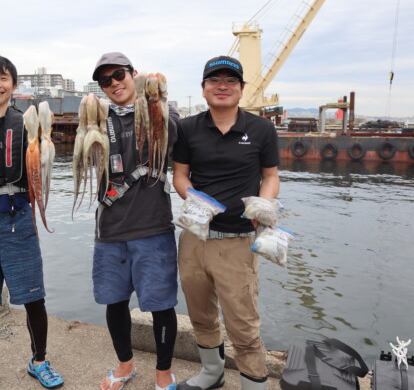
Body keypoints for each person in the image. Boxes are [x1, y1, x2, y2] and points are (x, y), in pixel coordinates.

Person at [172, 56, 280, 390]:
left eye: (230, 81)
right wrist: (197, 202)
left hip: (238, 240)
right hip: (195, 237)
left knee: (243, 323)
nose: (222, 86)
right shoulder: (187, 128)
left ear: (242, 89)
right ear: (203, 89)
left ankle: (255, 383)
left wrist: (262, 207)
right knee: (201, 313)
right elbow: (180, 177)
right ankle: (212, 373)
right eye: (214, 80)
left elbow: (271, 177)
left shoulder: (261, 128)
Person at [0, 55, 64, 390]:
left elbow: (42, 166)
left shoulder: (26, 125)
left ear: (14, 86)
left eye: (4, 78)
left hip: (19, 220)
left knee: (34, 298)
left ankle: (39, 361)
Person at [90, 52, 179, 390]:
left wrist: (154, 95)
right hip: (109, 231)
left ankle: (163, 373)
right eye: (105, 80)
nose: (114, 83)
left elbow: (173, 134)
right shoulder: (98, 119)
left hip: (153, 228)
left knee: (161, 305)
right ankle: (126, 365)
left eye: (119, 74)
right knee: (114, 302)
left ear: (133, 74)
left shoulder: (162, 108)